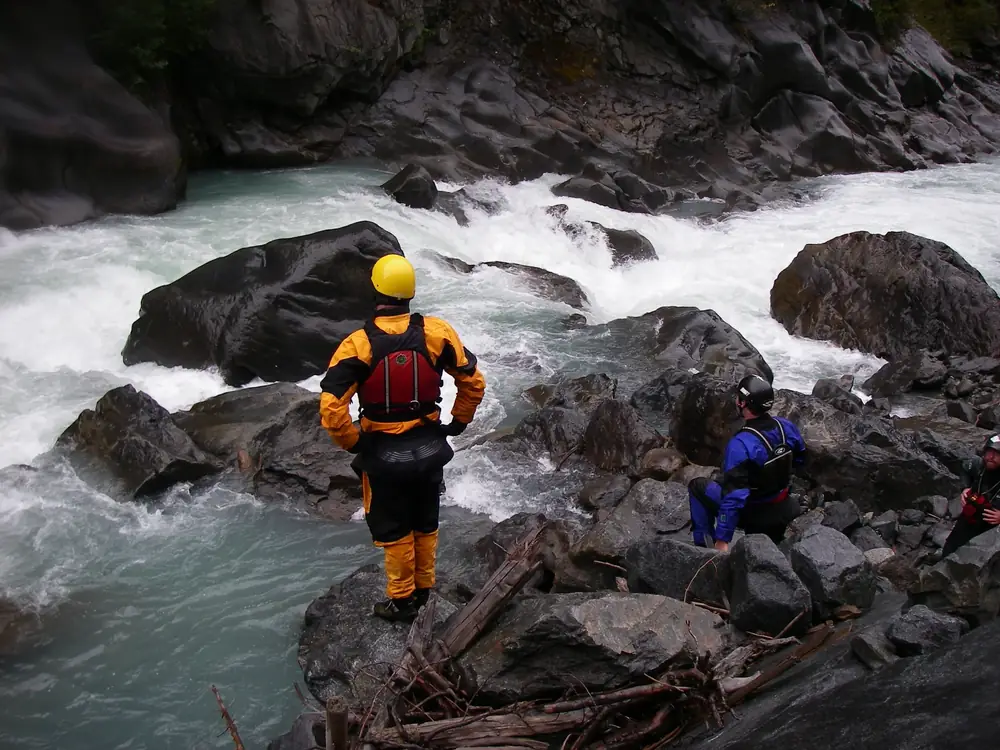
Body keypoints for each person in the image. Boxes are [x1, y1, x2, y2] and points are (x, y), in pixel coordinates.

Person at [319, 254, 486, 622]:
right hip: (429, 448)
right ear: (410, 292)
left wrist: (355, 443)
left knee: (394, 528)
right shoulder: (437, 332)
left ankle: (403, 600)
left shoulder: (357, 345)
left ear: (376, 290)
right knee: (425, 520)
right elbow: (473, 382)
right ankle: (425, 589)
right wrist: (457, 423)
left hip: (383, 456)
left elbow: (332, 409)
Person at [688, 374, 806, 552]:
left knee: (697, 487)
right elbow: (800, 457)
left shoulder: (741, 444)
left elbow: (735, 497)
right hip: (782, 504)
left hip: (755, 512)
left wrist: (723, 538)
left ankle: (703, 547)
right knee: (723, 479)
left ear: (743, 403)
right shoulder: (785, 427)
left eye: (739, 398)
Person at [941, 432, 1000, 557]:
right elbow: (964, 468)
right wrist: (965, 487)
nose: (990, 457)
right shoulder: (978, 464)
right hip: (972, 513)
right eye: (989, 452)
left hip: (993, 527)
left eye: (997, 454)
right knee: (951, 547)